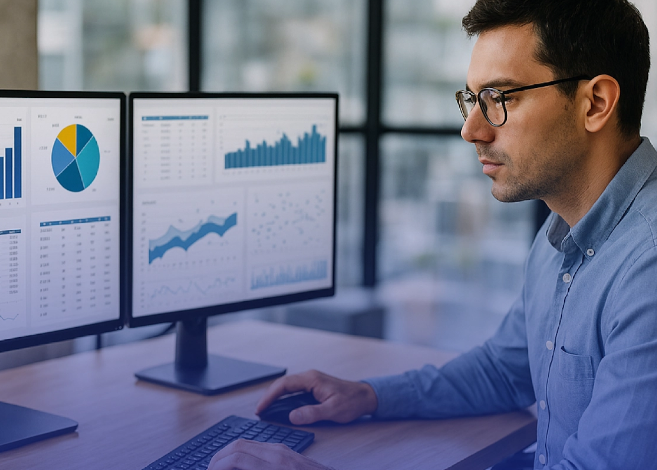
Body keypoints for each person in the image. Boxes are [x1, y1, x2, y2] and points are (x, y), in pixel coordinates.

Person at [209, 0, 655, 468]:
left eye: (500, 99)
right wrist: (367, 396)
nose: (471, 129)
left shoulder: (647, 267)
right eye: (472, 99)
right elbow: (504, 372)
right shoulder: (563, 225)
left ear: (596, 103)